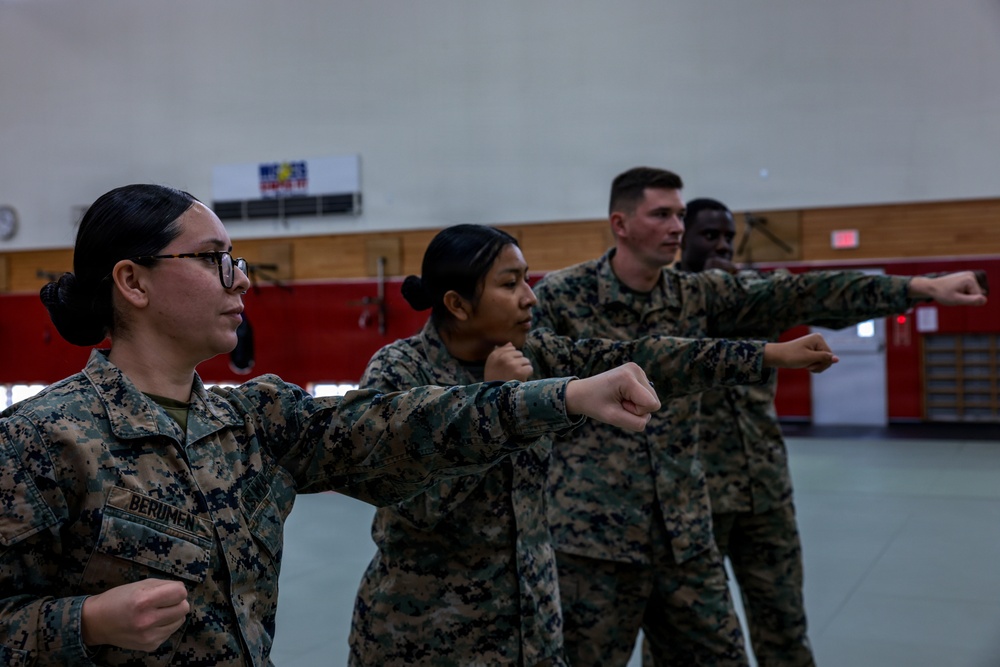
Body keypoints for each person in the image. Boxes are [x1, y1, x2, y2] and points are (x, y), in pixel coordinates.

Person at [0, 185, 666, 667]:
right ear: (132, 282)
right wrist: (79, 622)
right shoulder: (41, 439)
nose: (241, 281)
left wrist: (563, 397)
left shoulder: (255, 419)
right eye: (212, 259)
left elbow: (395, 425)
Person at [531, 167, 989, 667]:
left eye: (680, 214)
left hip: (685, 536)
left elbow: (800, 294)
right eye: (662, 214)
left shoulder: (699, 294)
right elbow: (579, 368)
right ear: (620, 223)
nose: (677, 227)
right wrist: (765, 354)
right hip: (593, 542)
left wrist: (921, 286)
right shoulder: (561, 296)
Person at [347, 224, 839, 666]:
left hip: (530, 628)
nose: (530, 298)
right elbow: (415, 501)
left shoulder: (534, 353)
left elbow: (642, 356)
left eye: (526, 279)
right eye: (509, 283)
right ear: (457, 304)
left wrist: (767, 354)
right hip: (426, 635)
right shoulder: (399, 373)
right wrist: (493, 402)